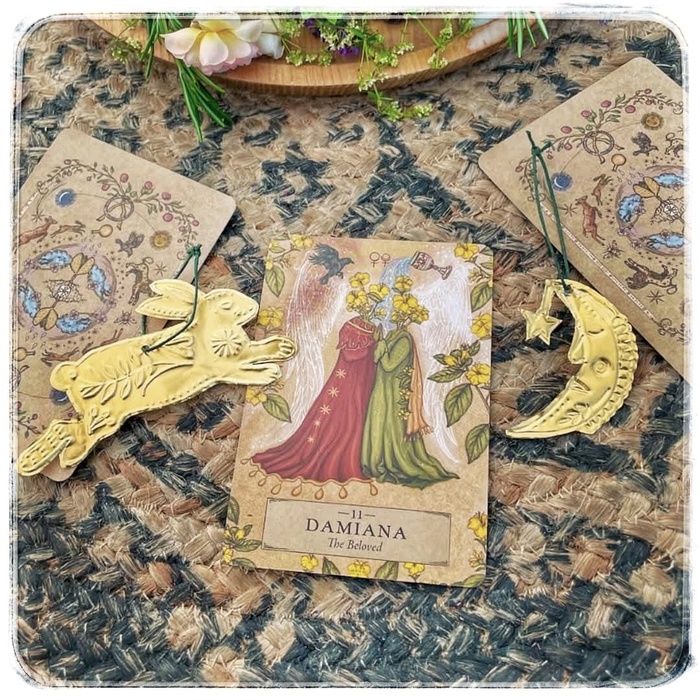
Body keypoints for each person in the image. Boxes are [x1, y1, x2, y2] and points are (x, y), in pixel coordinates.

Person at [252, 316, 377, 483]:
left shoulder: (359, 340)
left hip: (350, 392)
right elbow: (353, 355)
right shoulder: (362, 344)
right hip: (346, 391)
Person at [360, 326, 458, 488]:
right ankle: (375, 461)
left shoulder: (404, 339)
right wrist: (381, 342)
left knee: (392, 427)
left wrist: (381, 342)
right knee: (378, 423)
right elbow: (376, 359)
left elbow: (389, 365)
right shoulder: (392, 335)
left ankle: (392, 462)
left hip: (393, 395)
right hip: (381, 390)